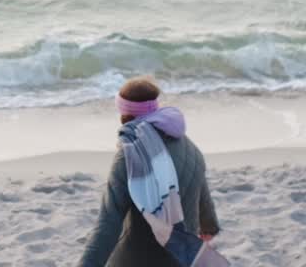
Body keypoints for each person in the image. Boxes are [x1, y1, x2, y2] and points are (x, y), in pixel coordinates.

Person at [78, 77, 226, 267]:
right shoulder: (187, 144)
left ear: (123, 112)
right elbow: (200, 188)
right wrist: (209, 225)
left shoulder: (128, 156)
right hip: (181, 255)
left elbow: (108, 224)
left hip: (139, 257)